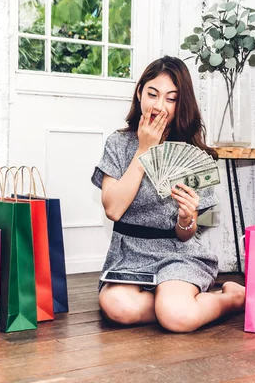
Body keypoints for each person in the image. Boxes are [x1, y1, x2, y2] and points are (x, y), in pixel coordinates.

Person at [91, 55, 245, 333]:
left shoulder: (193, 153)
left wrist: (187, 219)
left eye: (171, 99)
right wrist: (144, 150)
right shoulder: (117, 144)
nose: (159, 106)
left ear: (180, 104)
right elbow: (113, 209)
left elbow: (190, 233)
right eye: (152, 94)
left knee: (178, 318)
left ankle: (232, 298)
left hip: (178, 252)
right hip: (129, 252)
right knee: (116, 306)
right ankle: (173, 300)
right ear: (140, 93)